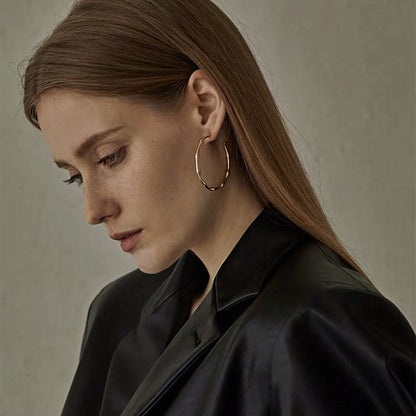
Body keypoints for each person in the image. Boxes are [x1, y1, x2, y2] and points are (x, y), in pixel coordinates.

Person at [20, 0, 415, 415]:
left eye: (109, 157)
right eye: (75, 176)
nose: (92, 210)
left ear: (205, 108)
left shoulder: (318, 327)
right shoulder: (119, 314)